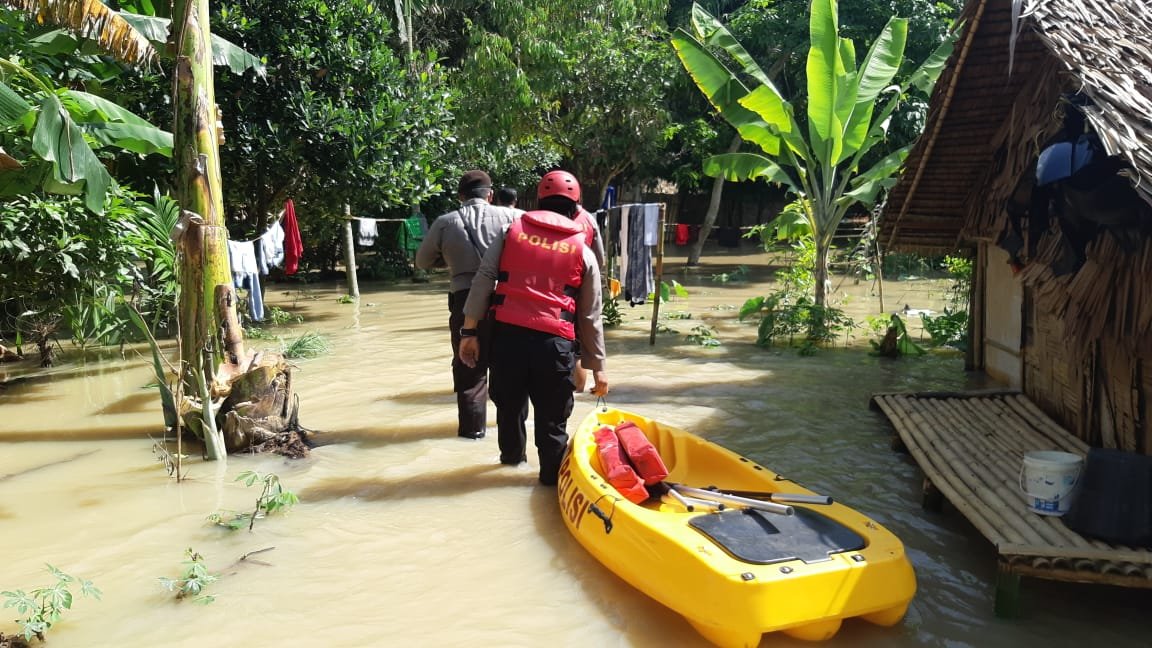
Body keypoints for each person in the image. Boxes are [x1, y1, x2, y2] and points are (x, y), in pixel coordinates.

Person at [458, 171, 609, 486]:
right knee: (553, 423)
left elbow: (484, 279)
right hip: (554, 346)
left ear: (539, 200)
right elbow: (590, 315)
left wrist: (469, 332)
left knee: (509, 410)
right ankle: (549, 486)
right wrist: (598, 368)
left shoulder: (511, 231)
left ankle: (510, 467)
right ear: (575, 206)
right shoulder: (583, 250)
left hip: (507, 340)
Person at [415, 170, 519, 440]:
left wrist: (451, 262)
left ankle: (472, 437)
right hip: (507, 302)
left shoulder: (445, 222)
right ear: (490, 194)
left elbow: (423, 262)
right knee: (509, 370)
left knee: (470, 370)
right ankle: (513, 445)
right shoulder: (513, 217)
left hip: (464, 301)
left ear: (460, 196)